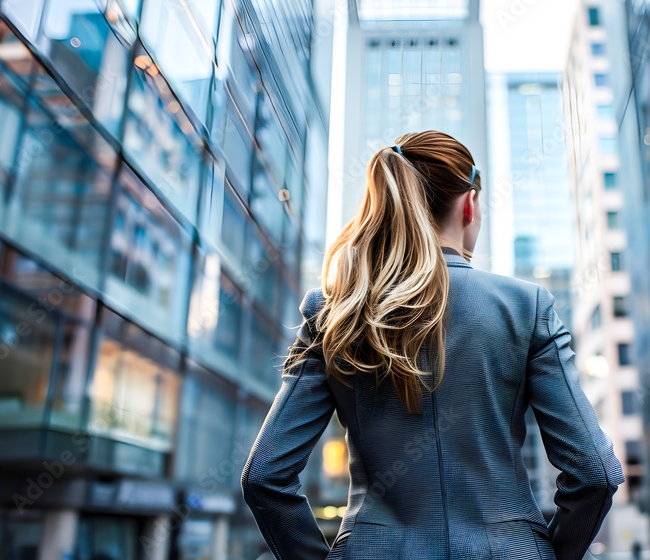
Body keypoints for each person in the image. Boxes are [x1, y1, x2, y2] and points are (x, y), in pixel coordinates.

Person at [240, 131, 624, 560]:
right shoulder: (527, 307)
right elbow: (596, 474)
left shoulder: (334, 311)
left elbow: (264, 476)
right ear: (470, 204)